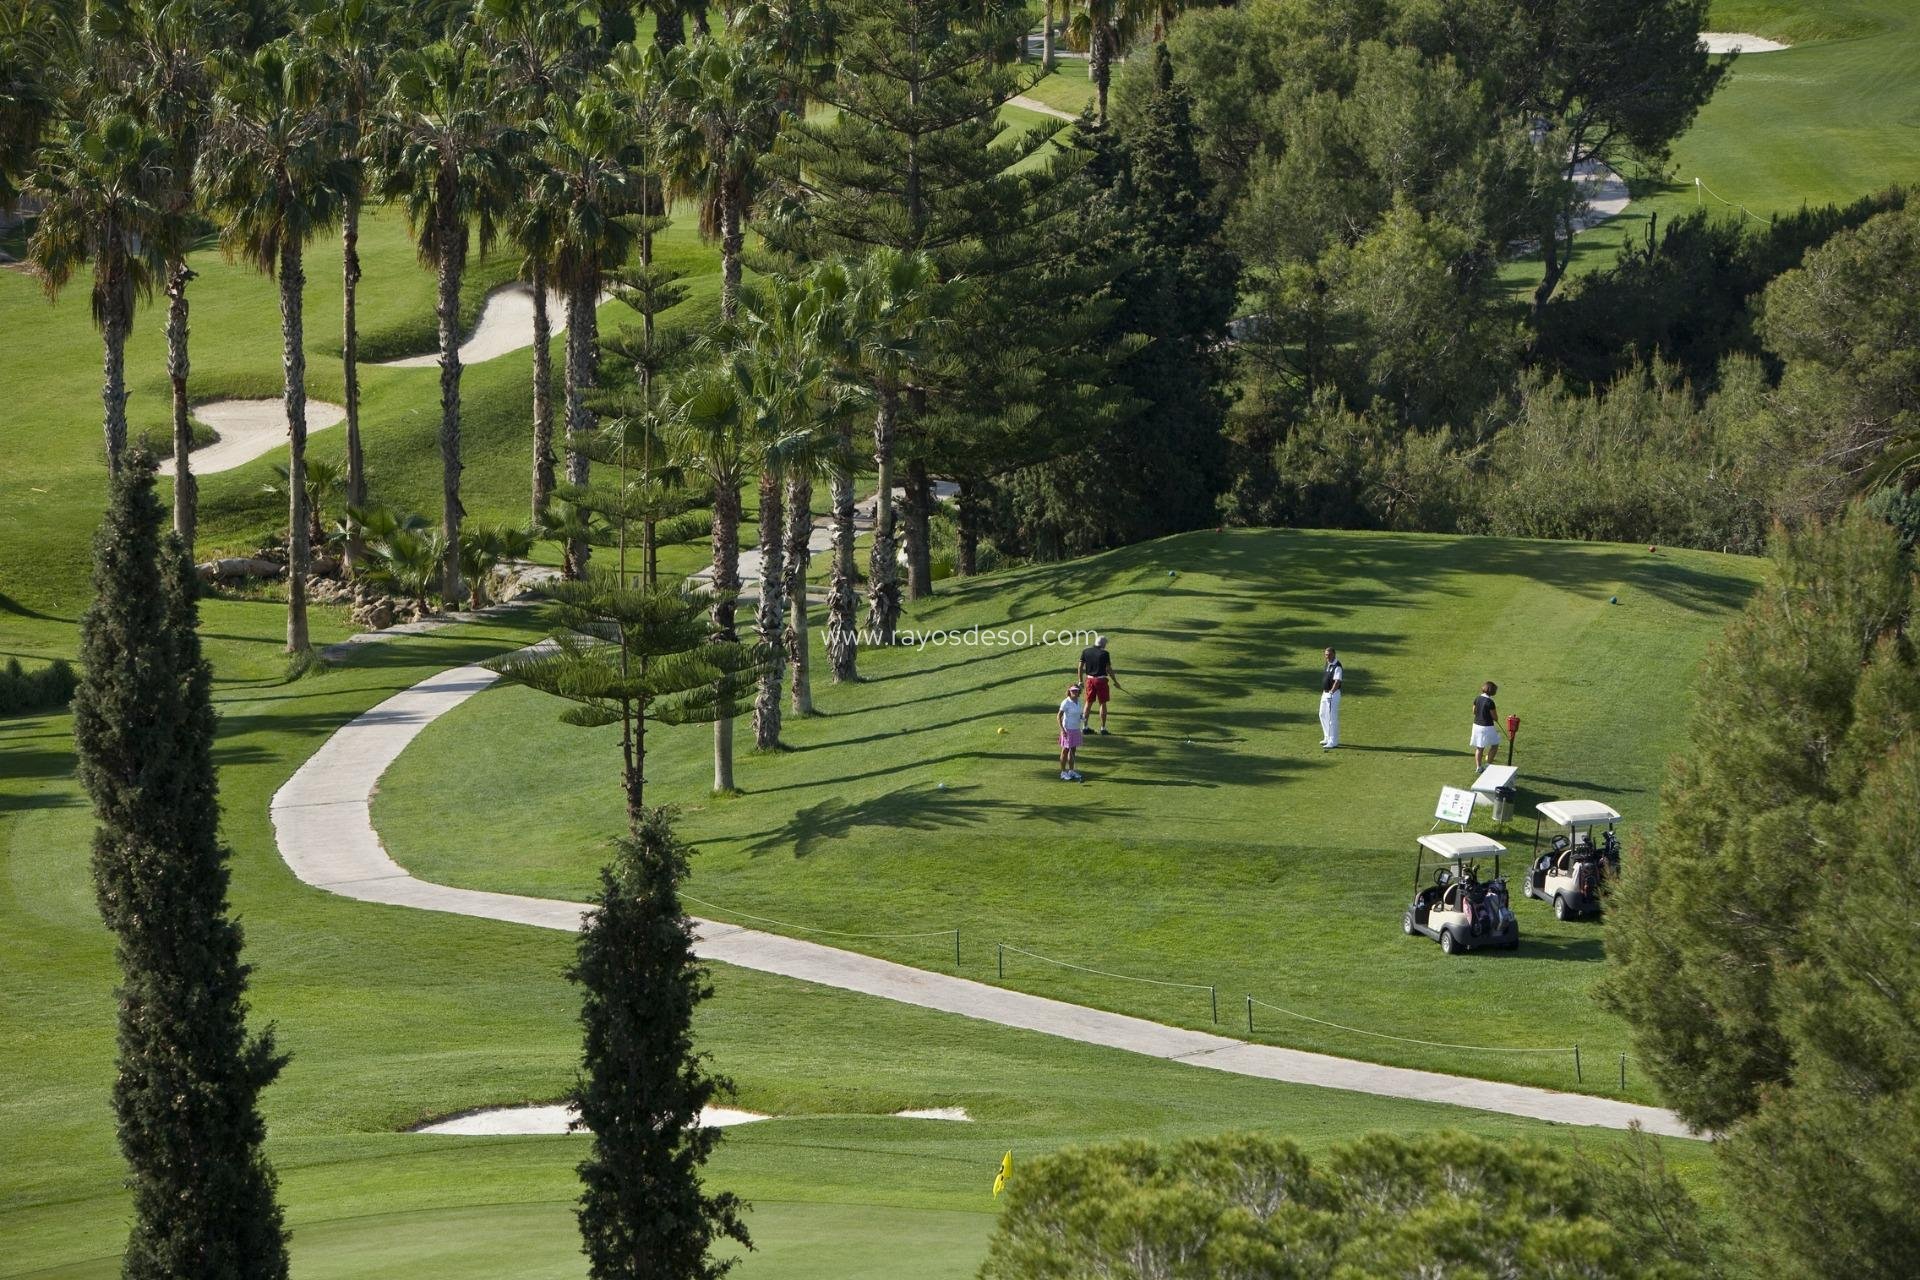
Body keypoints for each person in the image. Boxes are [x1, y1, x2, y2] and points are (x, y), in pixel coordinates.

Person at [1078, 635, 1122, 734]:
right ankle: (1103, 728)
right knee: (1102, 703)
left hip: (1089, 680)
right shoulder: (1105, 654)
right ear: (1103, 644)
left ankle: (1085, 727)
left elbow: (1080, 667)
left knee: (1088, 703)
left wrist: (1080, 680)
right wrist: (1115, 681)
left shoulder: (1086, 651)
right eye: (1105, 644)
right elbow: (1109, 669)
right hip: (1101, 681)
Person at [1058, 683, 1086, 781]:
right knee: (1065, 750)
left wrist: (1082, 717)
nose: (1074, 692)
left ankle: (1071, 770)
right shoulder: (1066, 702)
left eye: (1076, 690)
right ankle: (1063, 772)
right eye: (1072, 690)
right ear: (1069, 691)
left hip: (1076, 729)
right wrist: (1062, 729)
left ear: (1079, 692)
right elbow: (1059, 716)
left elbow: (1079, 713)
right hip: (1067, 729)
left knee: (1073, 750)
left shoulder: (1079, 702)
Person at [1471, 681, 1501, 771]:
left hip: (1476, 725)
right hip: (1487, 727)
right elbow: (1495, 717)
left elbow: (1474, 711)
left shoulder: (1477, 698)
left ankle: (1478, 767)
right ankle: (1488, 765)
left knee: (1479, 748)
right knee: (1495, 745)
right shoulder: (1490, 702)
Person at [1318, 647, 1343, 750]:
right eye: (1326, 655)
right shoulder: (1328, 664)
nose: (1327, 657)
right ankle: (1327, 737)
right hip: (1325, 693)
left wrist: (1331, 693)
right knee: (1322, 714)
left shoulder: (1337, 666)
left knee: (1332, 718)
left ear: (1334, 654)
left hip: (1332, 694)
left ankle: (1333, 741)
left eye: (1329, 655)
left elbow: (1337, 681)